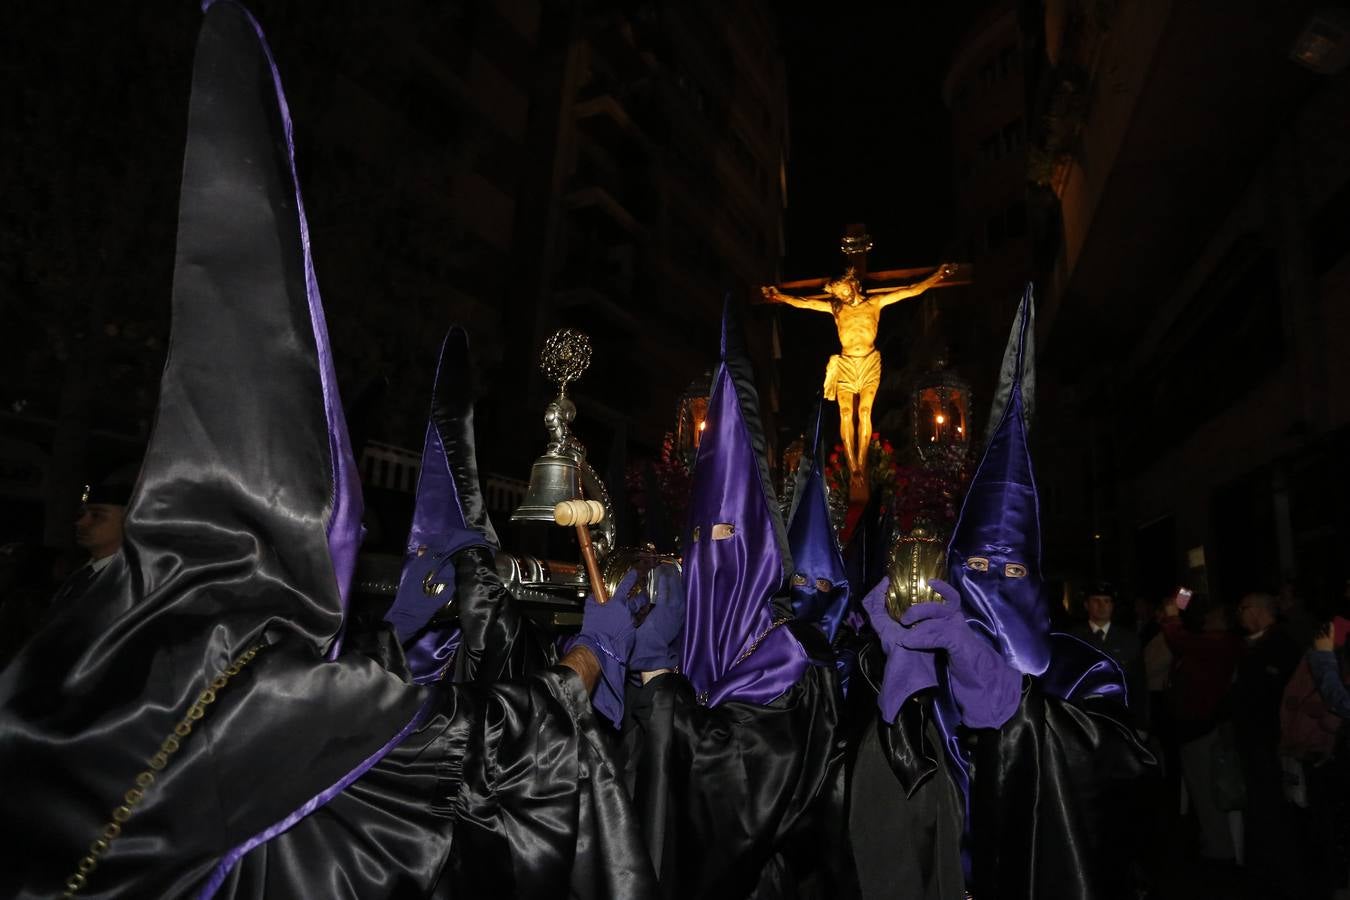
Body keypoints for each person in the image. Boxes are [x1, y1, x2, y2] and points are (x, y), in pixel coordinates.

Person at [0, 5, 657, 896]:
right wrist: (592, 652)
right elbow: (475, 746)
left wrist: (396, 638)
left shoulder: (83, 639)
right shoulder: (267, 676)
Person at [835, 289, 1152, 899]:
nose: (993, 582)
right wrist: (903, 664)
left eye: (1010, 572)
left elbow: (1120, 775)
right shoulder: (936, 662)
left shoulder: (1088, 670)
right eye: (977, 566)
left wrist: (1009, 699)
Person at [615, 303, 843, 899]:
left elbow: (739, 796)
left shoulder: (792, 657)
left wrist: (661, 685)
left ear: (759, 550)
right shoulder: (691, 628)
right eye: (696, 540)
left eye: (720, 539)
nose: (704, 558)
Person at [760, 262, 954, 485]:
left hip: (869, 362)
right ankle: (852, 464)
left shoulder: (875, 303)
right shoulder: (837, 309)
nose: (842, 296)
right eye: (838, 293)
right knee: (844, 412)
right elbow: (806, 303)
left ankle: (862, 460)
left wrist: (937, 277)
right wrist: (780, 297)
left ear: (853, 285)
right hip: (846, 364)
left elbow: (910, 290)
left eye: (844, 291)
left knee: (863, 411)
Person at [50, 473, 133, 607]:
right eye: (82, 514)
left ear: (129, 520)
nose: (80, 522)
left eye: (96, 515)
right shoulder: (79, 573)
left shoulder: (131, 584)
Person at [1072, 583, 1146, 725]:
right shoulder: (1073, 638)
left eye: (1107, 601)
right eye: (1096, 601)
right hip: (1084, 717)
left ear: (1112, 606)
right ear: (1086, 605)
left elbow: (1139, 684)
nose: (1102, 606)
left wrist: (1141, 722)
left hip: (1120, 716)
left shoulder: (1129, 640)